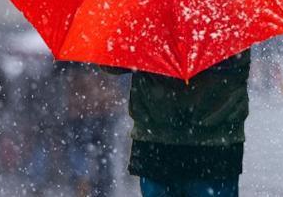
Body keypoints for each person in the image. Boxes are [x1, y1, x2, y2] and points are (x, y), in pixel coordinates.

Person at [103, 49, 251, 197]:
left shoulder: (150, 30)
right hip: (216, 144)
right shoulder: (227, 30)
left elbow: (112, 60)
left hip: (158, 142)